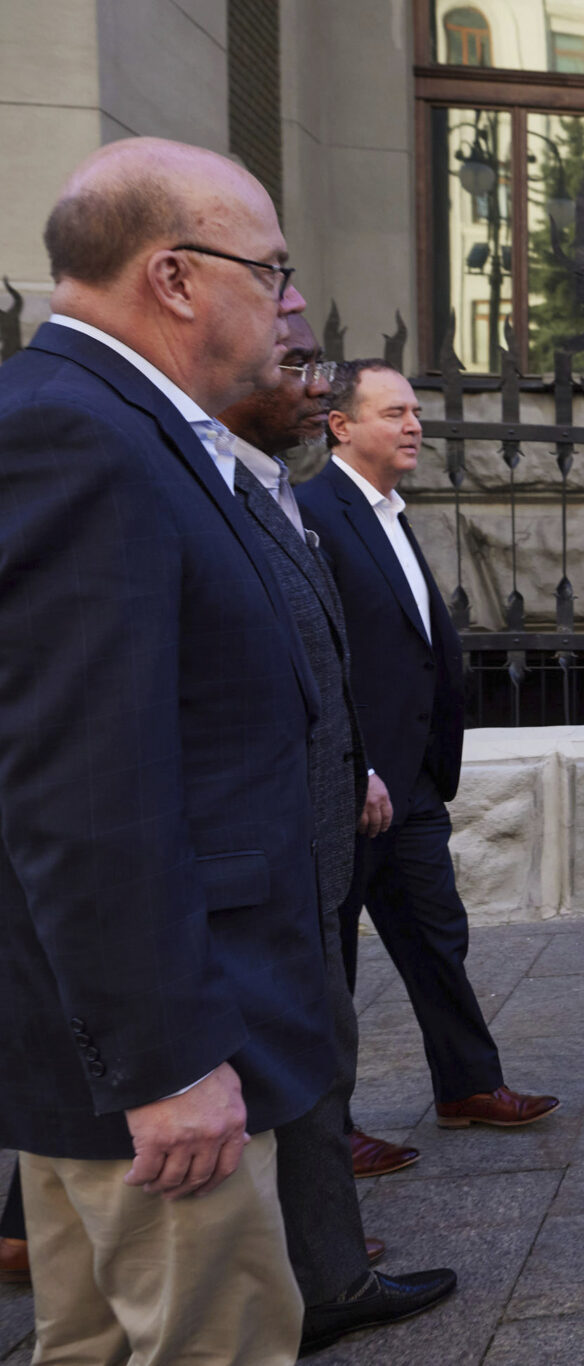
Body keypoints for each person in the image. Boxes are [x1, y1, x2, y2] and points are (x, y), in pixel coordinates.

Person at [0, 137, 329, 1364]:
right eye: (272, 269)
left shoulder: (108, 422)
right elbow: (85, 786)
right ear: (177, 277)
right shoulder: (81, 437)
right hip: (168, 1066)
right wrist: (171, 1060)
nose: (289, 301)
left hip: (117, 1055)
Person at [217, 324, 459, 1353]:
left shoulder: (276, 492)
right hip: (269, 828)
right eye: (300, 365)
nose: (311, 386)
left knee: (335, 1010)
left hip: (360, 789)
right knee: (297, 1022)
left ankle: (329, 1267)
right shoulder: (275, 500)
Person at [298, 362, 563, 1133]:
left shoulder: (388, 510)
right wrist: (359, 768)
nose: (414, 424)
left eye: (415, 410)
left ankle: (467, 1086)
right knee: (331, 964)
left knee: (436, 934)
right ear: (340, 425)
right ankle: (328, 1135)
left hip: (409, 780)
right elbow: (325, 658)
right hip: (355, 783)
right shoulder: (314, 513)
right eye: (393, 413)